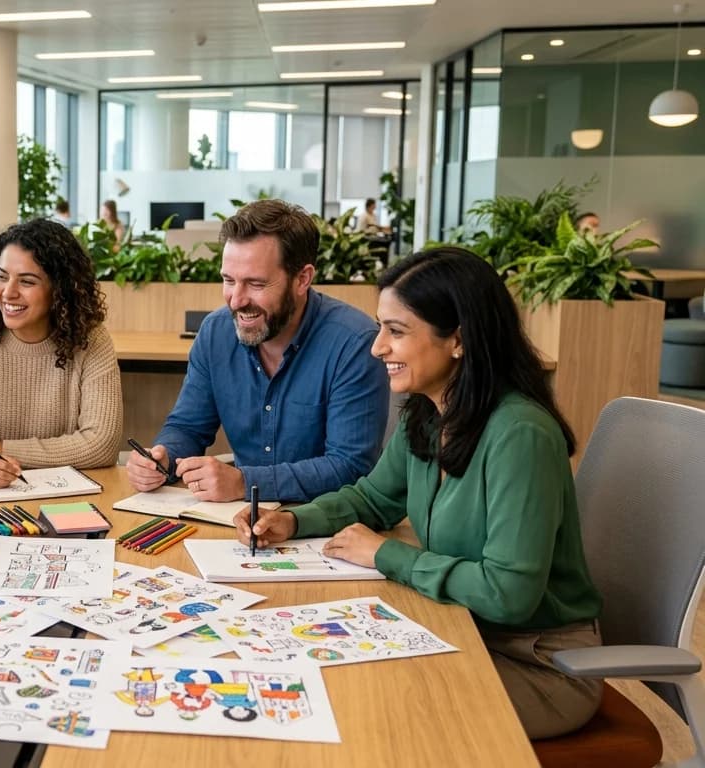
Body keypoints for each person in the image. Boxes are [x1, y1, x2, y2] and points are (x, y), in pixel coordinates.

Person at [242, 247, 603, 739]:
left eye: (396, 331)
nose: (377, 348)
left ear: (458, 338)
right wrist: (294, 520)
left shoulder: (521, 434)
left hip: (537, 663)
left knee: (381, 712)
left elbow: (510, 593)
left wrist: (389, 555)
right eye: (379, 327)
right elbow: (372, 499)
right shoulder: (428, 413)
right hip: (461, 630)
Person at [125, 199, 389, 503]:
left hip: (325, 525)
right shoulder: (215, 333)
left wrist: (245, 482)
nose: (236, 300)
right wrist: (162, 458)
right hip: (238, 523)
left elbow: (350, 467)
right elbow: (187, 427)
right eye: (228, 280)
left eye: (255, 284)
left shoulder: (354, 343)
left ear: (302, 279)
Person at [0, 218, 122, 486]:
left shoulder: (92, 340)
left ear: (60, 290)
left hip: (67, 497)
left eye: (27, 282)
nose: (8, 292)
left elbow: (101, 445)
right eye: (2, 276)